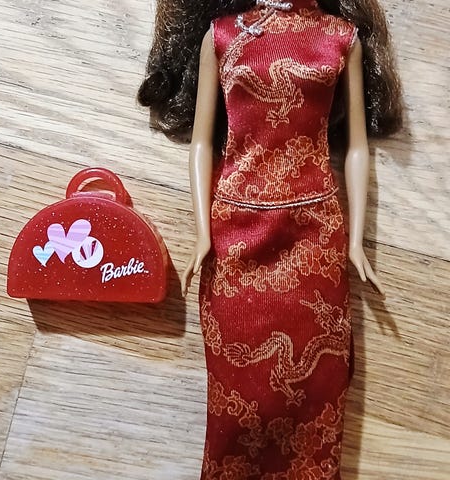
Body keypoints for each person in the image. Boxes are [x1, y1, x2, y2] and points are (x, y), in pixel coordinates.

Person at [139, 0, 402, 478]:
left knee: (318, 392)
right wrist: (203, 234)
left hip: (314, 231)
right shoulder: (222, 35)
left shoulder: (341, 37)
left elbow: (357, 147)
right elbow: (202, 142)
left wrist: (356, 242)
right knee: (236, 401)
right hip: (235, 232)